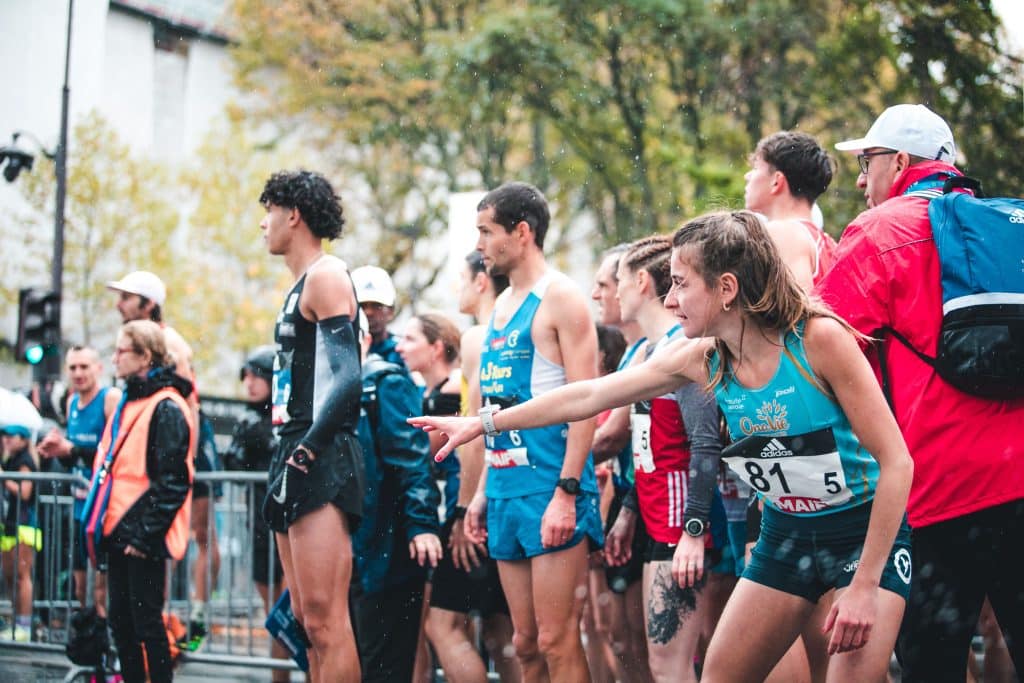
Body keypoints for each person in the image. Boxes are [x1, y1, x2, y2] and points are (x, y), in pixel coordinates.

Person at [414, 210, 916, 682]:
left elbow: (897, 464)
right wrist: (485, 422)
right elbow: (588, 394)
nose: (669, 300)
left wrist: (867, 584)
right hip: (786, 533)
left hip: (861, 533)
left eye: (679, 283)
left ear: (726, 289)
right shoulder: (701, 358)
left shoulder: (819, 339)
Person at [820, 103, 1024, 681]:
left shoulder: (881, 231)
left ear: (901, 162)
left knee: (931, 663)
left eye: (867, 162)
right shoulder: (1008, 227)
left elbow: (822, 350)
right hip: (1020, 476)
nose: (861, 180)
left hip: (939, 489)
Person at [450, 181, 603, 683]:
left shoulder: (561, 297)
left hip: (551, 486)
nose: (479, 245)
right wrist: (480, 496)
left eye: (486, 231)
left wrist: (568, 490)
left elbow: (587, 402)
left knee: (559, 641)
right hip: (507, 491)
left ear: (522, 232)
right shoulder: (497, 309)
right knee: (525, 643)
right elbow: (494, 410)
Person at [600, 236, 725, 683]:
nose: (612, 293)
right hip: (652, 515)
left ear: (640, 282)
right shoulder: (649, 352)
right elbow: (644, 444)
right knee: (658, 662)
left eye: (617, 281)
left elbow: (705, 444)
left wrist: (694, 529)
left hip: (678, 521)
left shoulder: (683, 348)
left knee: (671, 666)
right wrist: (628, 513)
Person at [259, 169, 365, 683]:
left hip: (319, 453)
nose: (264, 224)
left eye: (269, 211)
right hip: (292, 448)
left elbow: (349, 379)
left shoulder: (326, 275)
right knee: (305, 619)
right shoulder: (299, 284)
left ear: (293, 214)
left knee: (326, 619)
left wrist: (305, 452)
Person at [107, 270, 219, 643]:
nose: (119, 304)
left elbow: (188, 404)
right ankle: (158, 630)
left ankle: (195, 617)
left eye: (127, 297)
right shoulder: (128, 343)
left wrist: (184, 456)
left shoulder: (171, 342)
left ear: (148, 303)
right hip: (144, 457)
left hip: (178, 448)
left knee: (194, 533)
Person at [97, 320, 195, 683]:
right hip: (122, 528)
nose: (114, 360)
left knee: (146, 625)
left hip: (140, 536)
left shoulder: (166, 406)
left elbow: (172, 482)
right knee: (122, 623)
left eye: (122, 351)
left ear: (145, 357)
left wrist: (145, 538)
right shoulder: (135, 401)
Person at [351, 321, 443, 683]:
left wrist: (421, 524)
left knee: (384, 659)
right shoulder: (329, 386)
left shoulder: (382, 381)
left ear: (364, 339)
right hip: (351, 543)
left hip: (386, 543)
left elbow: (410, 457)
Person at [452, 250, 520, 682]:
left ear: (481, 281)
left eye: (461, 277)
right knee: (505, 633)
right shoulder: (496, 333)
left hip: (491, 494)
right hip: (504, 488)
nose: (455, 288)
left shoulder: (480, 336)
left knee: (446, 624)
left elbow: (478, 430)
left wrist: (464, 508)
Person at [589, 244, 652, 683]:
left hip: (657, 506)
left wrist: (552, 465)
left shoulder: (651, 348)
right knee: (623, 636)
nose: (597, 294)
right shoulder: (633, 352)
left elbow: (612, 434)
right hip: (634, 502)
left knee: (646, 641)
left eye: (606, 285)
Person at [38, 345, 121, 618]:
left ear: (98, 368)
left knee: (101, 588)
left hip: (104, 508)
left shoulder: (110, 399)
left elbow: (114, 452)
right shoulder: (72, 402)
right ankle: (89, 647)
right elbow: (73, 459)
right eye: (73, 367)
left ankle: (108, 649)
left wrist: (71, 449)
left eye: (84, 366)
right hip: (79, 507)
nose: (78, 373)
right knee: (79, 587)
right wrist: (58, 450)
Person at [222, 346, 289, 683]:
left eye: (255, 376)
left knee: (300, 614)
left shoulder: (289, 413)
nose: (249, 384)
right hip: (261, 525)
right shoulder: (248, 420)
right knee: (276, 616)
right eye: (245, 377)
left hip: (292, 525)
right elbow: (232, 464)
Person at [744, 130, 837, 291]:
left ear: (776, 181)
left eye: (756, 167)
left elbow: (795, 312)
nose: (747, 176)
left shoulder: (785, 234)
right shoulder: (829, 244)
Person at [1, 423, 42, 642]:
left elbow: (25, 493)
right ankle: (16, 621)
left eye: (12, 436)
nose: (7, 440)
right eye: (4, 436)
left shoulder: (26, 460)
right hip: (10, 524)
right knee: (10, 576)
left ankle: (24, 625)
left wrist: (4, 478)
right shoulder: (9, 459)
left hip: (24, 525)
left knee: (22, 576)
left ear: (24, 439)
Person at [352, 265, 406, 370]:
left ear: (391, 310)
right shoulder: (342, 352)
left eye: (377, 305)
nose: (369, 312)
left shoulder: (403, 352)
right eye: (362, 305)